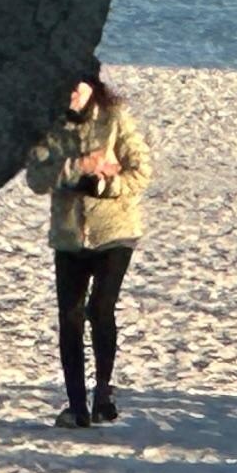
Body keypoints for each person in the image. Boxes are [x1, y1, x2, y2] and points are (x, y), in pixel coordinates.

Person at [24, 65, 152, 429]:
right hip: (68, 236)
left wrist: (103, 186)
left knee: (101, 308)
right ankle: (76, 405)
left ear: (90, 85)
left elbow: (140, 171)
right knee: (69, 317)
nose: (69, 94)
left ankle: (104, 393)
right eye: (62, 86)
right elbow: (36, 178)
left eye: (75, 86)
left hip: (115, 229)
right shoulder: (50, 125)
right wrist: (79, 166)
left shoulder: (114, 118)